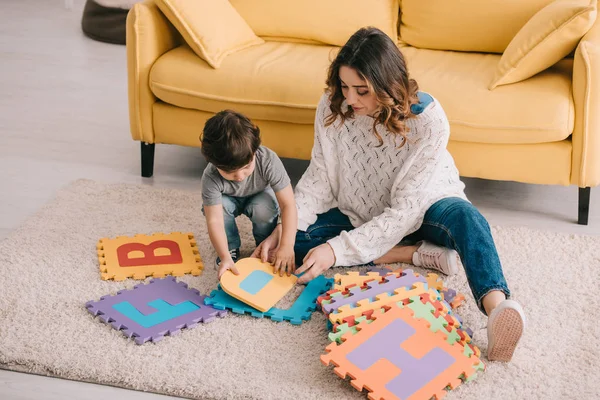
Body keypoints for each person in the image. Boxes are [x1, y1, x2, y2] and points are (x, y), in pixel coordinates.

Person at [252, 27, 525, 362]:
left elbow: (405, 211)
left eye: (362, 91)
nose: (350, 99)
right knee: (283, 239)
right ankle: (410, 254)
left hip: (424, 208)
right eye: (344, 86)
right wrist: (286, 231)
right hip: (360, 211)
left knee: (468, 219)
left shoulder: (429, 122)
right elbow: (319, 179)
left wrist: (335, 250)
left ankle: (497, 311)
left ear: (388, 86)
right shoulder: (333, 107)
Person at [201, 110, 297, 279]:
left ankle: (265, 243)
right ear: (214, 164)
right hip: (228, 199)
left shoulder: (268, 160)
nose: (239, 177)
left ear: (255, 152)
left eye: (246, 167)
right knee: (221, 210)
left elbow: (288, 204)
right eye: (229, 172)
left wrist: (286, 245)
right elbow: (214, 220)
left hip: (259, 195)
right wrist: (224, 257)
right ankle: (231, 248)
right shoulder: (210, 176)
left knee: (264, 208)